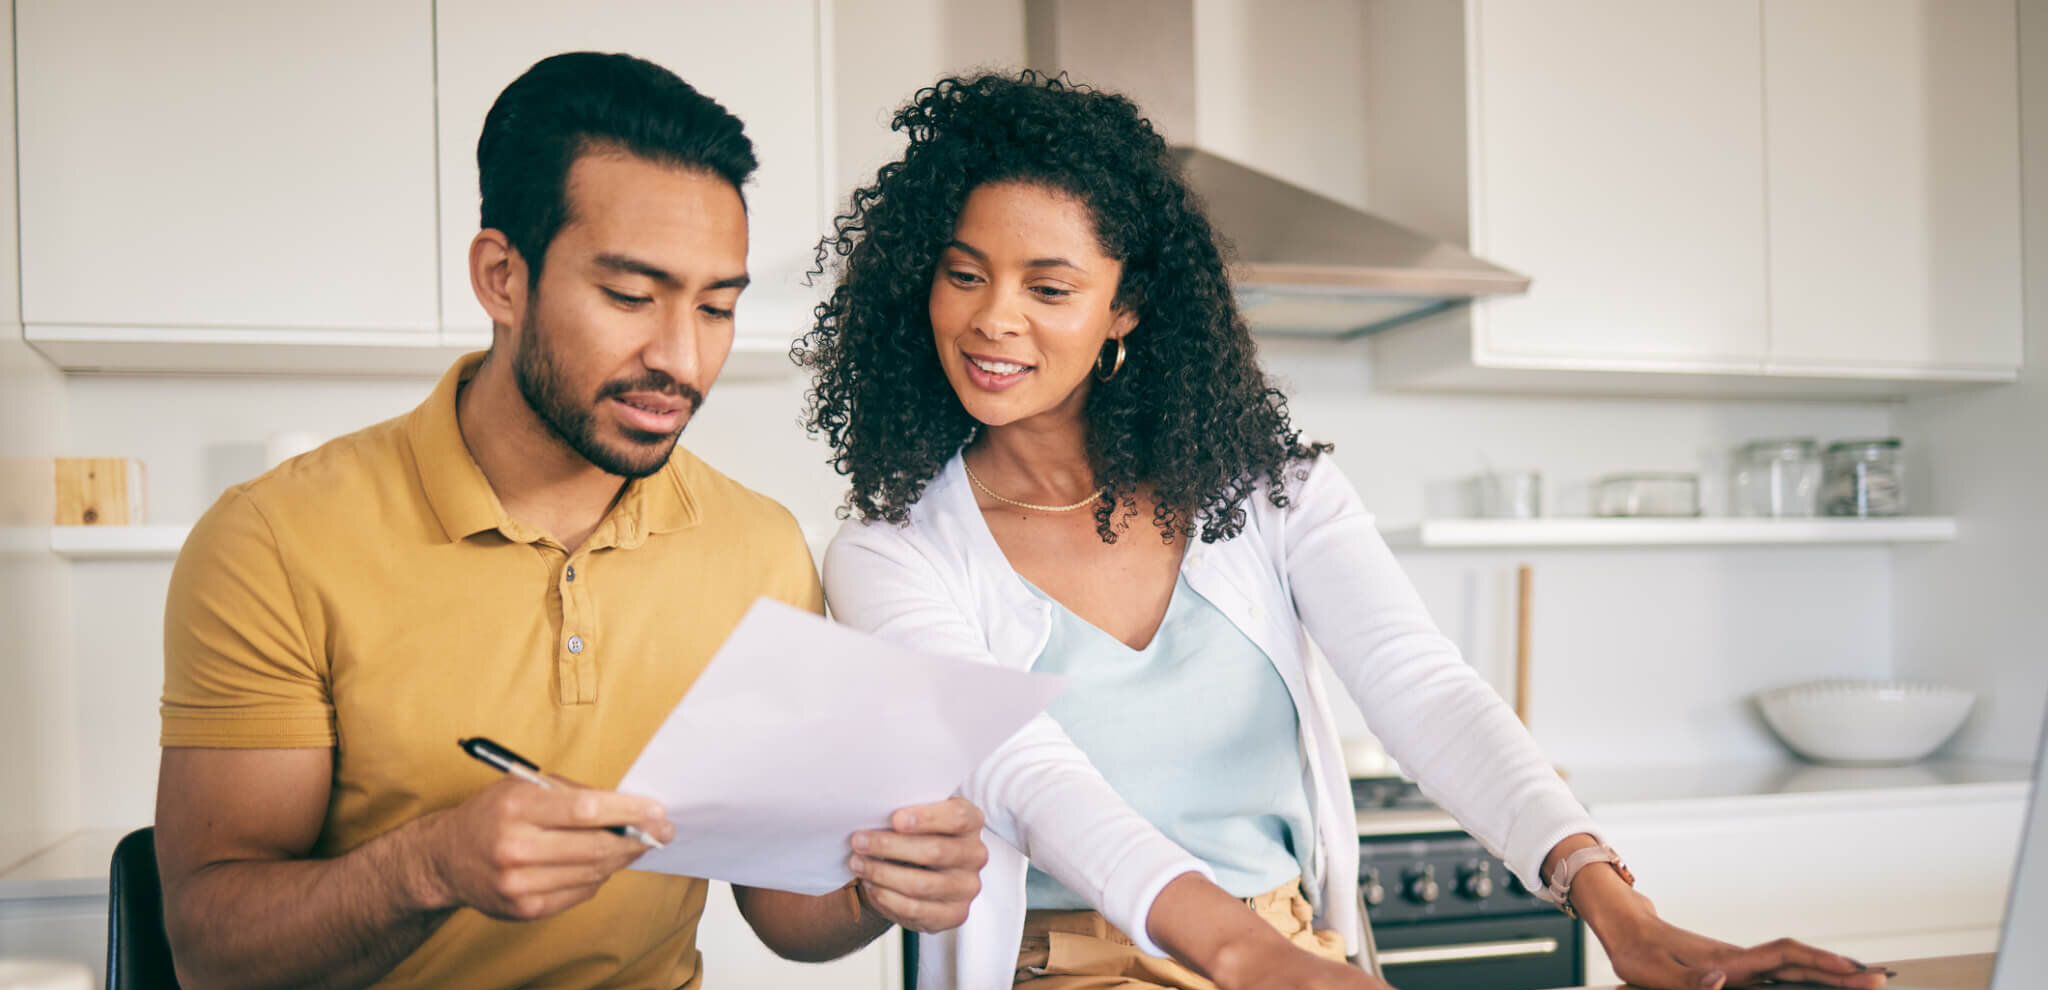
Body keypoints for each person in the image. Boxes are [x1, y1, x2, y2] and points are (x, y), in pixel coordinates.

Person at [798, 71, 1890, 990]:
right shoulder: (894, 553)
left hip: (1285, 950)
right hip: (1072, 969)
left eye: (1049, 286)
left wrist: (1619, 913)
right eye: (962, 274)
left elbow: (1425, 692)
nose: (993, 318)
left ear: (1123, 309)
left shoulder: (1272, 491)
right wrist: (1242, 960)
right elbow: (1032, 783)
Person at [153, 52, 985, 990]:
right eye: (631, 297)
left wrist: (884, 884)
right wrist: (426, 867)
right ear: (503, 278)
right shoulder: (275, 539)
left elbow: (783, 906)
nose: (682, 357)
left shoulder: (754, 546)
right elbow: (211, 951)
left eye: (716, 307)